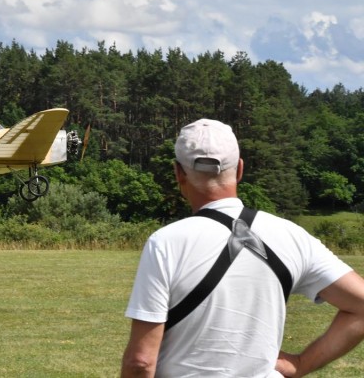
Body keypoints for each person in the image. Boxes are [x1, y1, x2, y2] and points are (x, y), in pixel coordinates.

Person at [121, 118, 364, 377]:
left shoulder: (165, 242)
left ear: (178, 173)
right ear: (239, 169)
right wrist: (301, 363)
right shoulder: (292, 235)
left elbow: (141, 362)